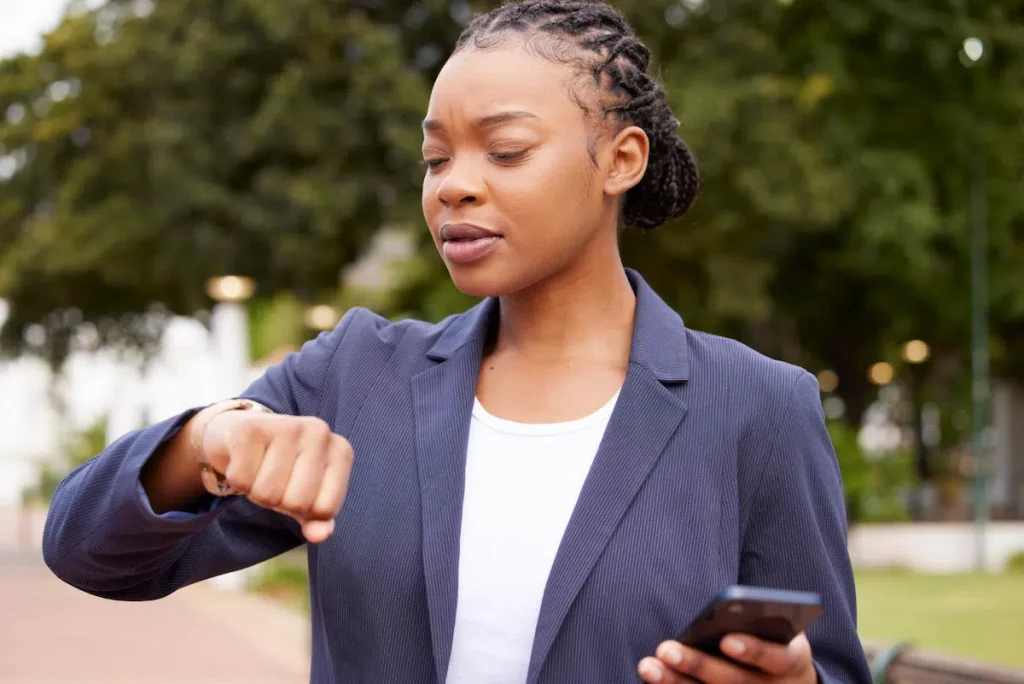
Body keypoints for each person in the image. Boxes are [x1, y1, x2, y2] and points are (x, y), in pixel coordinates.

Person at [42, 2, 871, 683]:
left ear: (620, 160)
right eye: (435, 157)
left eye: (505, 150)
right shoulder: (356, 377)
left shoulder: (758, 408)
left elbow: (827, 667)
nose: (455, 184)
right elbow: (91, 556)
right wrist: (205, 438)